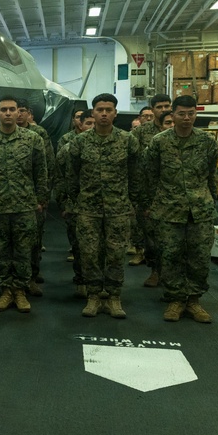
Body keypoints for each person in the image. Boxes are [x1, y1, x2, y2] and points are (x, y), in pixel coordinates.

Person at [143, 95, 218, 323]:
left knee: (200, 258)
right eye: (181, 114)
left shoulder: (207, 142)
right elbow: (150, 176)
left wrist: (211, 203)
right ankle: (175, 300)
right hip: (168, 210)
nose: (187, 118)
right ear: (172, 115)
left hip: (200, 209)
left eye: (191, 114)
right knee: (170, 256)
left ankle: (194, 301)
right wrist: (151, 206)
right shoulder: (159, 142)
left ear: (196, 114)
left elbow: (212, 176)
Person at [65, 94, 141, 318]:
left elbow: (136, 175)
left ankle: (114, 297)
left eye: (109, 109)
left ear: (115, 113)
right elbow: (72, 175)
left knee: (116, 254)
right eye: (100, 109)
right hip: (88, 209)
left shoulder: (128, 141)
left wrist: (132, 203)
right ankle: (94, 296)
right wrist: (76, 201)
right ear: (93, 113)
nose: (104, 113)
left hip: (118, 209)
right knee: (89, 254)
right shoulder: (80, 142)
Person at [0, 96, 48, 312]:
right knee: (0, 251)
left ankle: (20, 290)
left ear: (19, 113)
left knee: (24, 251)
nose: (8, 113)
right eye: (3, 109)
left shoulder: (33, 139)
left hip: (24, 205)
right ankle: (6, 290)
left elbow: (40, 172)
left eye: (12, 109)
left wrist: (41, 199)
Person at [131, 94, 173, 276]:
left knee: (171, 239)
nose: (164, 110)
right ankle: (155, 270)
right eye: (160, 107)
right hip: (148, 192)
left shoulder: (176, 129)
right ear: (152, 108)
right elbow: (133, 160)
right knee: (151, 238)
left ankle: (169, 275)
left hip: (172, 192)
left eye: (167, 106)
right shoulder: (141, 133)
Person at [16, 100, 54, 296]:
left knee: (34, 239)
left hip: (33, 198)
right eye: (16, 111)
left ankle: (31, 276)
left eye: (22, 111)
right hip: (10, 199)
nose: (19, 115)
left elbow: (47, 166)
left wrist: (44, 196)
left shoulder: (39, 134)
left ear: (28, 113)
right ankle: (14, 280)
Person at [54, 108, 94, 295]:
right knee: (80, 245)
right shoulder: (68, 147)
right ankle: (82, 280)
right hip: (78, 205)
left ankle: (105, 288)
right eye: (88, 123)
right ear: (80, 124)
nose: (92, 127)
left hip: (109, 206)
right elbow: (61, 176)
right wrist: (63, 202)